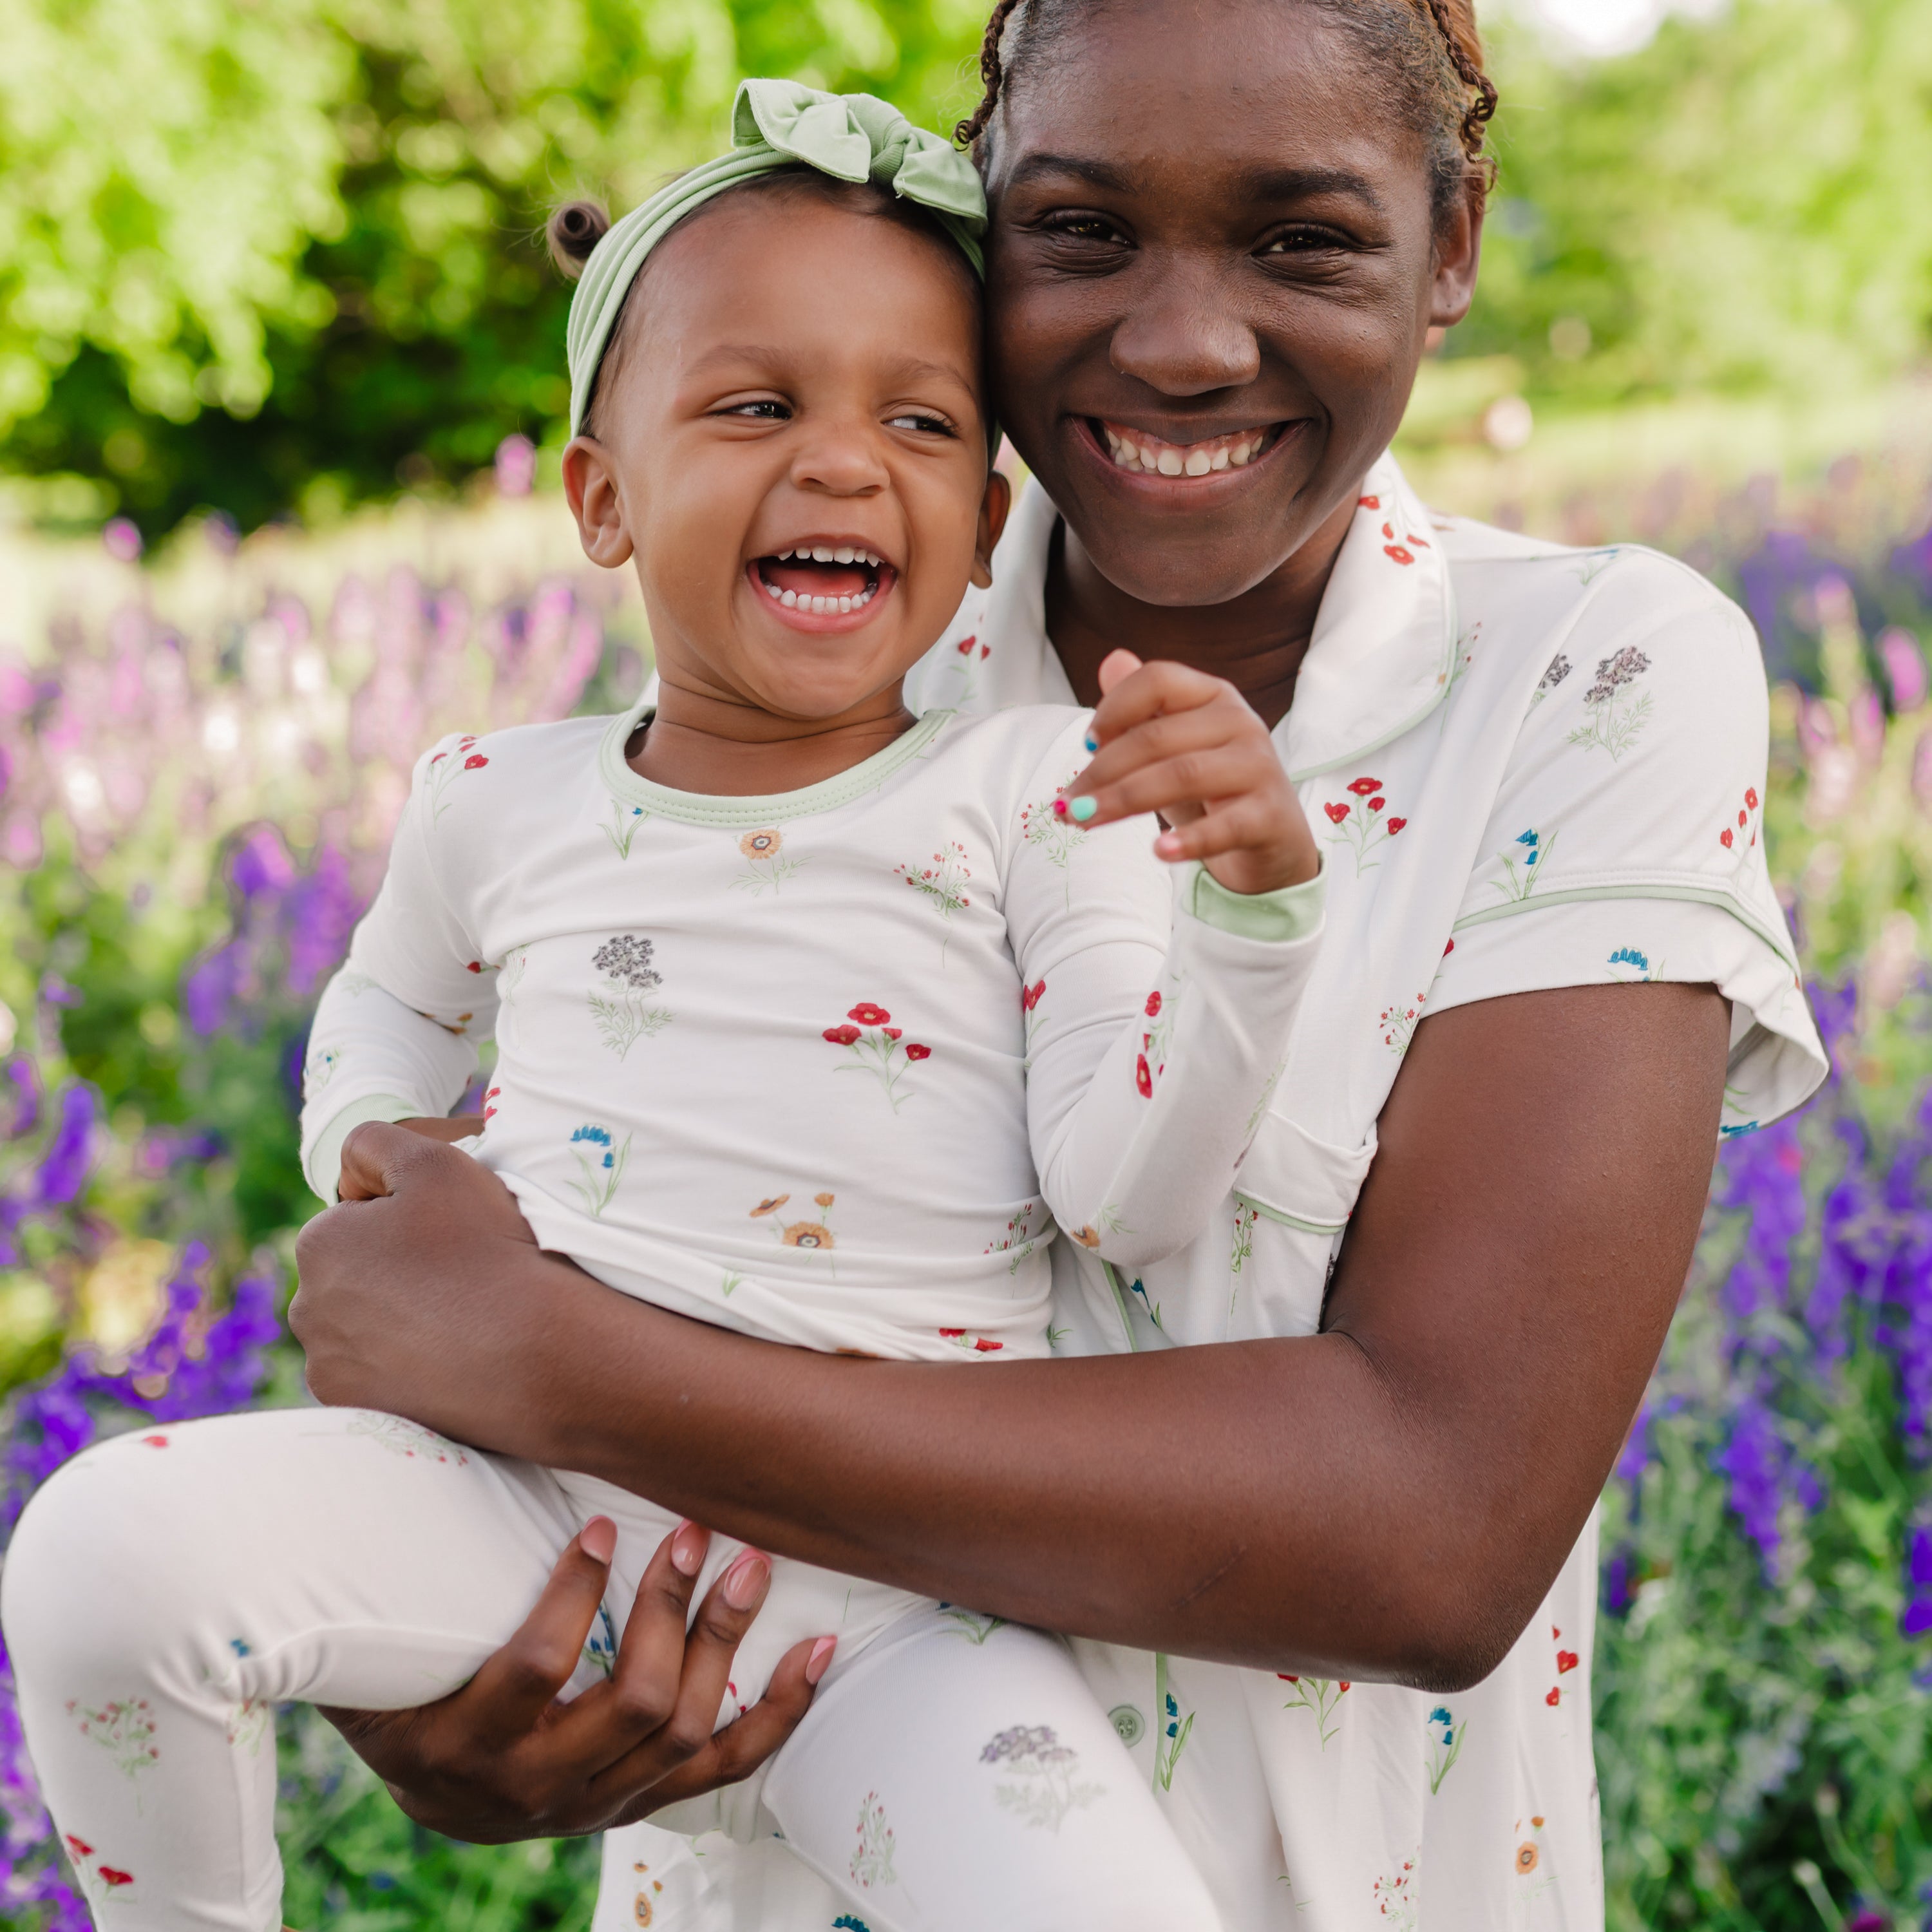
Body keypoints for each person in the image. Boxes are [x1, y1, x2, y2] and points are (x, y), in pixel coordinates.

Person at [287, 1, 1831, 1927]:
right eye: (1084, 231)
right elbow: (534, 1249)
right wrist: (447, 1658)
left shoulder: (1585, 680)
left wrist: (568, 1375)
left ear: (1451, 244)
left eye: (1304, 237)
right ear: (985, 242)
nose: (1184, 342)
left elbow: (1430, 1534)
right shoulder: (826, 661)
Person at [1, 79, 1333, 1932]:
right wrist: (376, 1150)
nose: (848, 462)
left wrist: (1258, 925)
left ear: (982, 511)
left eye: (923, 422)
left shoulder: (1036, 793)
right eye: (757, 406)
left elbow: (1131, 1195)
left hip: (903, 1608)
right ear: (600, 500)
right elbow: (379, 1015)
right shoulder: (498, 797)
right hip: (536, 1516)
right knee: (94, 1551)